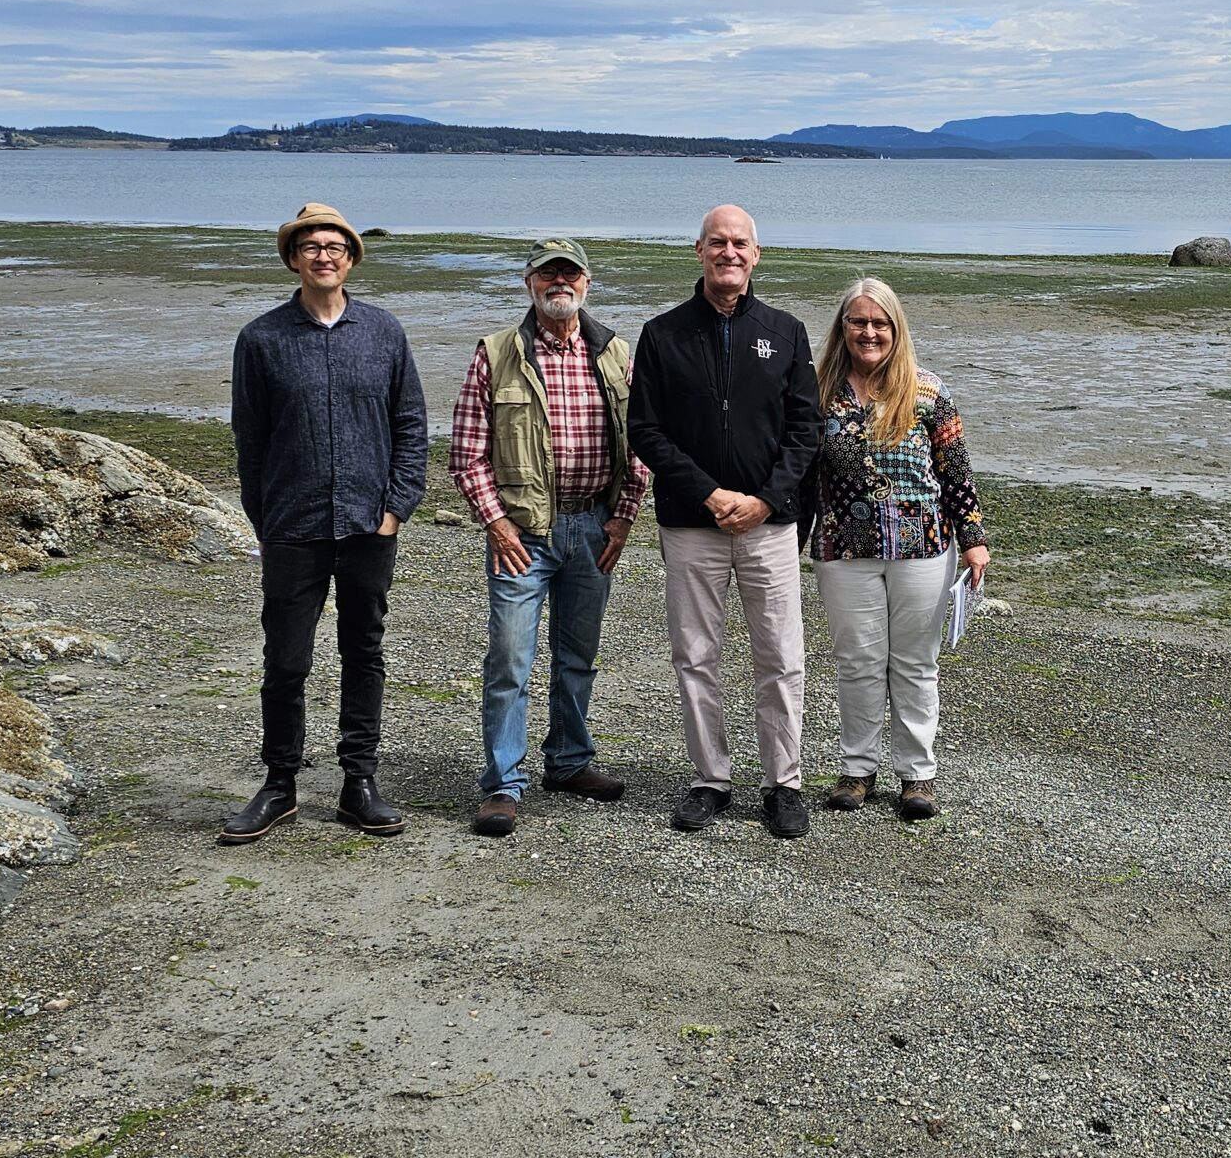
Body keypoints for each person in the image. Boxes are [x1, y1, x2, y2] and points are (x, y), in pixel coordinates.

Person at [222, 203, 428, 845]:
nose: (323, 254)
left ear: (351, 258)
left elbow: (411, 426)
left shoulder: (384, 332)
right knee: (286, 660)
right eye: (310, 246)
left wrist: (397, 506)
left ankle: (358, 781)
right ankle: (279, 783)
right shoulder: (262, 338)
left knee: (363, 651)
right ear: (294, 259)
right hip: (292, 526)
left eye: (335, 245)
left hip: (370, 522)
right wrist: (265, 518)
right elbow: (248, 440)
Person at [627, 204, 820, 839]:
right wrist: (710, 494)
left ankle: (782, 782)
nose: (728, 252)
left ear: (756, 255)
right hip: (691, 523)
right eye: (717, 242)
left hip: (770, 525)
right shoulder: (662, 335)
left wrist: (765, 500)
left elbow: (805, 429)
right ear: (699, 252)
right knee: (696, 656)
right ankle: (710, 778)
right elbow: (647, 433)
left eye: (739, 243)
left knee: (782, 655)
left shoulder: (786, 332)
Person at [448, 238, 650, 838]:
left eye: (570, 273)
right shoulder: (497, 352)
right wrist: (496, 522)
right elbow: (466, 454)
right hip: (523, 535)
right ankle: (503, 786)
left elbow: (641, 441)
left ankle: (568, 761)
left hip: (595, 527)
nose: (559, 282)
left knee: (578, 656)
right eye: (547, 273)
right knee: (510, 659)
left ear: (586, 283)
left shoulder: (615, 353)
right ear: (529, 282)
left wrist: (624, 517)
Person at [805, 279, 989, 820]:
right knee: (858, 662)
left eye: (879, 323)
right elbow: (798, 471)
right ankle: (857, 769)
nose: (869, 332)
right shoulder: (818, 391)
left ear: (895, 329)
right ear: (842, 329)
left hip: (925, 548)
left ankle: (917, 775)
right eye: (858, 322)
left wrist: (974, 539)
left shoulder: (928, 390)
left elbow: (955, 469)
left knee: (914, 663)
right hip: (843, 547)